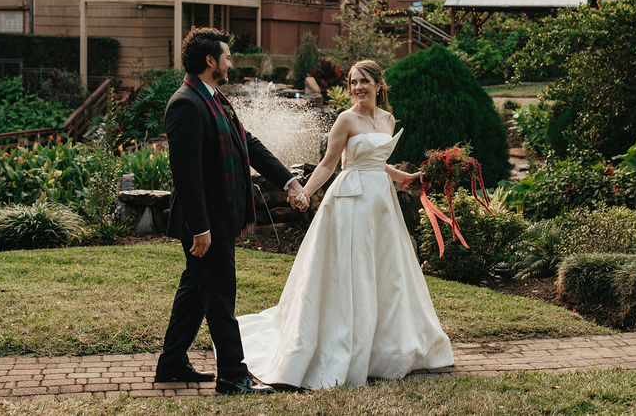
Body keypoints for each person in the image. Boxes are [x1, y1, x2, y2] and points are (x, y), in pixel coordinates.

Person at [237, 59, 455, 389]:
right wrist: (305, 192)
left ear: (379, 85)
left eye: (364, 81)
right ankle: (344, 342)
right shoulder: (345, 119)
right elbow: (328, 165)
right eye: (353, 82)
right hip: (350, 201)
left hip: (380, 203)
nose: (357, 88)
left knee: (385, 271)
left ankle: (386, 346)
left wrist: (405, 176)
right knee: (350, 270)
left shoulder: (387, 119)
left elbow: (379, 163)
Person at [155, 27, 305, 395]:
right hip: (205, 224)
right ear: (210, 61)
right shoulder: (185, 104)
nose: (231, 62)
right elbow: (185, 176)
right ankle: (232, 376)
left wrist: (287, 180)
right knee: (221, 297)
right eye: (226, 56)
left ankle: (172, 363)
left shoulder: (213, 97)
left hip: (218, 219)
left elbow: (247, 142)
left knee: (196, 290)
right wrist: (200, 227)